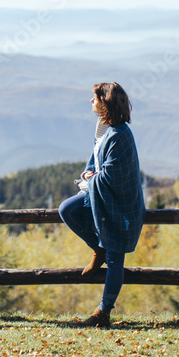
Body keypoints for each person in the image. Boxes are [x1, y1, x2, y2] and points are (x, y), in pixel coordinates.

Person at [57, 81, 146, 328]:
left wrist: (92, 177)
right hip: (102, 195)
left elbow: (114, 175)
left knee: (116, 259)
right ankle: (98, 249)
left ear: (105, 102)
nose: (91, 101)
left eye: (94, 98)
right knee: (67, 209)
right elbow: (94, 160)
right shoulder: (105, 130)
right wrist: (88, 174)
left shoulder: (120, 136)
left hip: (120, 205)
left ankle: (103, 312)